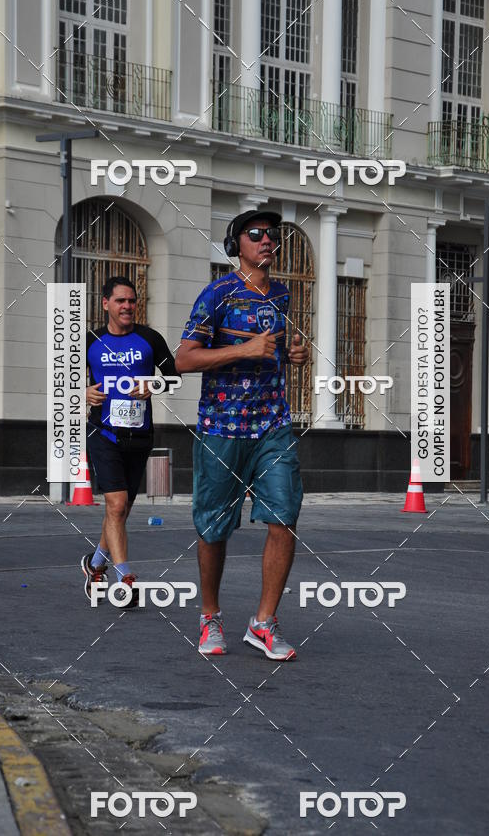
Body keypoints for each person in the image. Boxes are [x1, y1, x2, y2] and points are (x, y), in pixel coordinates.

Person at [176, 209, 310, 660]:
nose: (267, 241)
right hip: (222, 426)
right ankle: (210, 615)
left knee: (284, 516)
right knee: (214, 527)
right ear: (237, 244)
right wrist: (244, 349)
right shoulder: (217, 294)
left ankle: (263, 623)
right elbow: (183, 359)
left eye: (273, 235)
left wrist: (292, 357)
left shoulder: (282, 295)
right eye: (256, 234)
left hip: (273, 424)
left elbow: (273, 350)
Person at [82, 276, 177, 606]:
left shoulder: (150, 338)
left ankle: (95, 564)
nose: (127, 306)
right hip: (103, 433)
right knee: (117, 505)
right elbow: (62, 382)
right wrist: (83, 392)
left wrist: (154, 385)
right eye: (120, 301)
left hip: (140, 436)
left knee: (120, 511)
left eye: (132, 301)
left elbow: (174, 378)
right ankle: (125, 579)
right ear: (105, 303)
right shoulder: (90, 339)